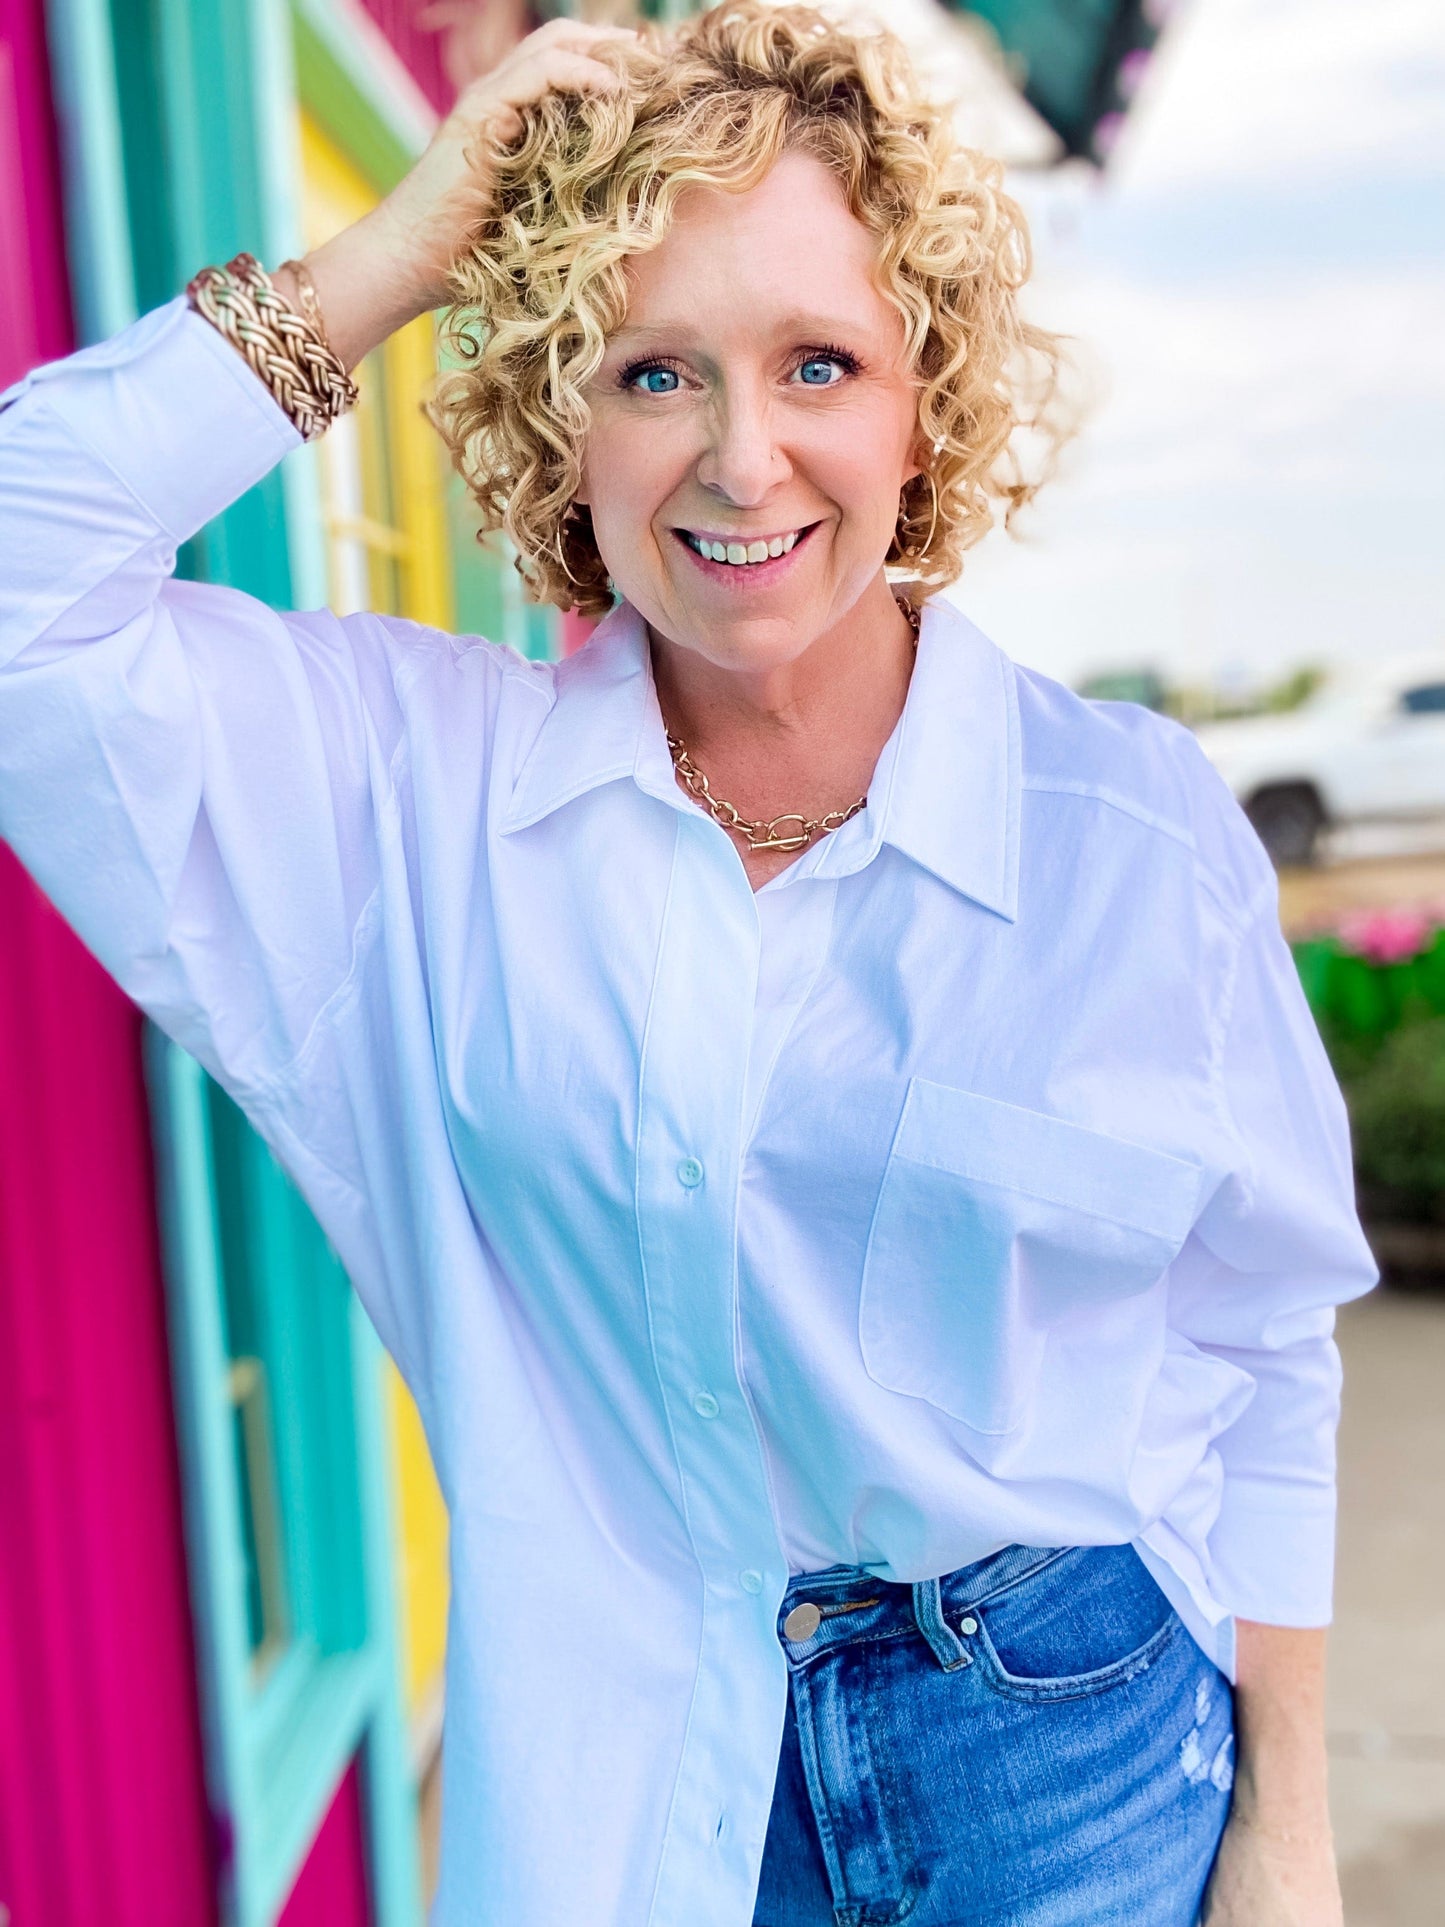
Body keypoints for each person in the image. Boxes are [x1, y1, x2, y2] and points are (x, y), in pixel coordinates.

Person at [0, 7, 1375, 1923]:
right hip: (628, 1794)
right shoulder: (402, 811)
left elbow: (1256, 1336)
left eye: (821, 360)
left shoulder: (1131, 842)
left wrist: (1287, 1837)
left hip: (1070, 1759)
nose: (745, 457)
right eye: (654, 370)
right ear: (564, 416)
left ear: (926, 394)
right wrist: (396, 252)